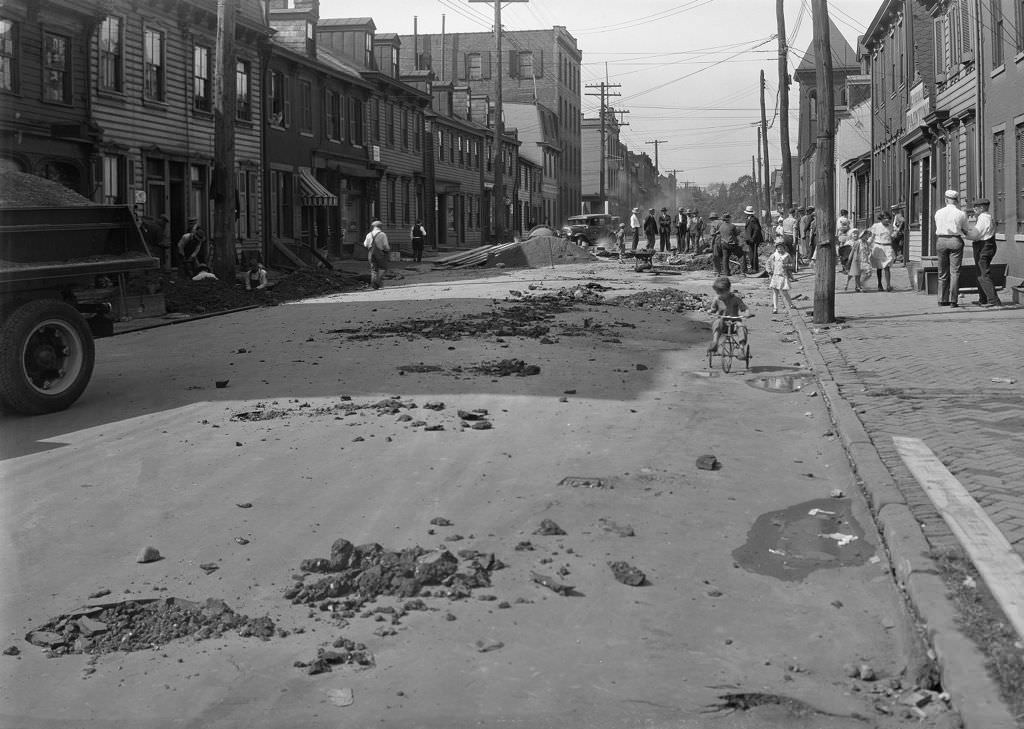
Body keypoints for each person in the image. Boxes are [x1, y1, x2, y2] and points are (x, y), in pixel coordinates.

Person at [934, 190, 971, 307]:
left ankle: (942, 299)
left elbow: (938, 225)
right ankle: (953, 300)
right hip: (955, 240)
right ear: (957, 200)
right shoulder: (961, 214)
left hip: (941, 240)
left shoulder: (938, 213)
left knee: (942, 272)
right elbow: (965, 229)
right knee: (955, 272)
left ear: (946, 200)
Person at [966, 198, 1002, 307]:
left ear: (982, 208)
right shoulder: (988, 217)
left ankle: (994, 301)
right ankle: (983, 299)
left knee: (983, 274)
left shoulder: (983, 218)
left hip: (983, 246)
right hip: (989, 245)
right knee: (980, 273)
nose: (973, 209)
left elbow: (975, 235)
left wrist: (963, 232)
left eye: (975, 207)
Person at [705, 276, 753, 354]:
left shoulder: (735, 298)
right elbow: (713, 309)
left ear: (728, 289)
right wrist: (710, 311)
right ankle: (715, 343)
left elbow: (744, 308)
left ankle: (741, 348)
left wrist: (747, 313)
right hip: (722, 321)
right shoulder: (717, 299)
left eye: (721, 292)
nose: (719, 294)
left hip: (734, 321)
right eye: (718, 292)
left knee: (741, 327)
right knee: (716, 323)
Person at [764, 238, 797, 314]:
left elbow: (792, 265)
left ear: (784, 247)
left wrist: (786, 265)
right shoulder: (774, 256)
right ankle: (775, 308)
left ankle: (791, 304)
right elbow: (768, 263)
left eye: (781, 247)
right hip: (775, 276)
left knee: (784, 292)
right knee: (775, 292)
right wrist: (769, 271)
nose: (779, 248)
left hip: (783, 276)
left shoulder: (787, 255)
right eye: (778, 247)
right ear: (776, 248)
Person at [868, 211, 895, 291]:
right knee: (879, 267)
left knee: (887, 266)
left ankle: (888, 285)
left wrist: (894, 235)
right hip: (879, 247)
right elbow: (872, 237)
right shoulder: (876, 226)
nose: (887, 220)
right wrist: (867, 244)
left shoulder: (890, 227)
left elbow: (891, 236)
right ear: (881, 219)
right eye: (885, 218)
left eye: (888, 218)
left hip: (887, 247)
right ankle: (879, 284)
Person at [363, 220, 390, 289]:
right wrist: (387, 250)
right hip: (380, 254)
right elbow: (385, 245)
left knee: (374, 269)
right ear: (380, 227)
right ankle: (378, 281)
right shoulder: (382, 234)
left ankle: (374, 284)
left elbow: (365, 244)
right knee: (383, 268)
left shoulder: (369, 234)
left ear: (373, 227)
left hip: (371, 254)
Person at [844, 228, 873, 292]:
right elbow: (852, 252)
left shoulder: (866, 243)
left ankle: (861, 284)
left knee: (869, 272)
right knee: (857, 274)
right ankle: (857, 287)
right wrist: (849, 261)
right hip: (857, 261)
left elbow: (868, 251)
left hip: (865, 261)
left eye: (869, 235)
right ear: (864, 235)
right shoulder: (858, 242)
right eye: (867, 235)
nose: (868, 237)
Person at [741, 205, 763, 275]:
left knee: (753, 255)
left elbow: (757, 229)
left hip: (754, 240)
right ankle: (754, 268)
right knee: (752, 254)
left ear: (748, 213)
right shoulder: (749, 219)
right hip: (750, 240)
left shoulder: (753, 220)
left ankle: (755, 269)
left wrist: (753, 238)